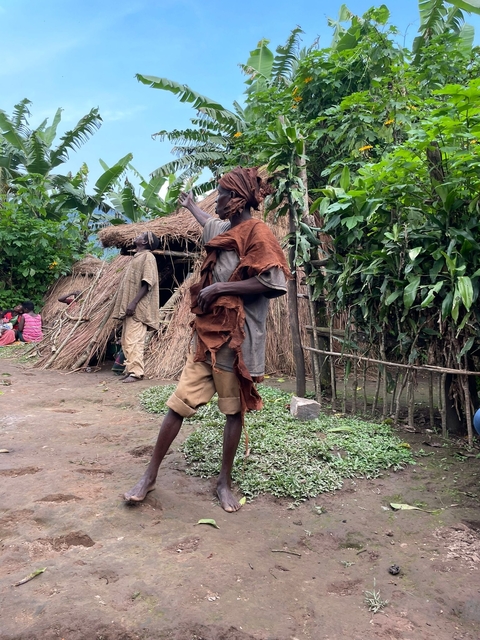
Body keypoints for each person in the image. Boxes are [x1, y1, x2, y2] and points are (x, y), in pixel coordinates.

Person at [124, 166, 290, 512]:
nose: (217, 200)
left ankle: (224, 483)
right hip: (206, 336)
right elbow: (206, 223)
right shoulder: (222, 228)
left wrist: (220, 287)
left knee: (232, 411)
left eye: (223, 195)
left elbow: (275, 284)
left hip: (236, 340)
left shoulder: (258, 234)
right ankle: (149, 475)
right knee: (178, 403)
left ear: (238, 199)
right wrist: (188, 206)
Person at [112, 231, 160, 383]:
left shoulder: (148, 257)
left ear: (145, 242)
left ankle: (136, 373)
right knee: (127, 340)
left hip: (139, 307)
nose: (137, 236)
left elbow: (148, 282)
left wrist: (133, 302)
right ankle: (130, 369)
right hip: (132, 307)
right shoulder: (137, 257)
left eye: (140, 235)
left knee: (134, 340)